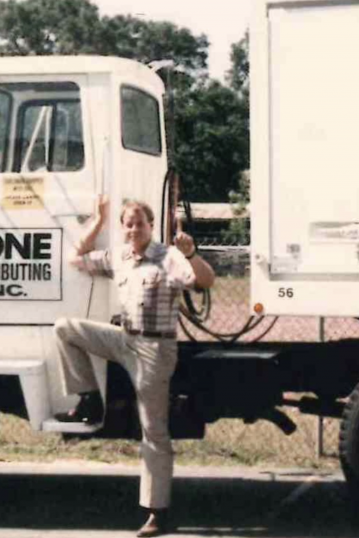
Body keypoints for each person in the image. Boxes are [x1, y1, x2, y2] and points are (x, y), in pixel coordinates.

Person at [53, 195, 214, 537]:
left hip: (155, 348)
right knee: (66, 328)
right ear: (123, 228)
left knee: (153, 430)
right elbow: (75, 258)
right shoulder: (121, 258)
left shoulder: (168, 257)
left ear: (151, 226)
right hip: (124, 339)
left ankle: (157, 511)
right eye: (128, 223)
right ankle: (89, 398)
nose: (134, 229)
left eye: (140, 223)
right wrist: (98, 220)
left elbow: (205, 281)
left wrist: (190, 253)